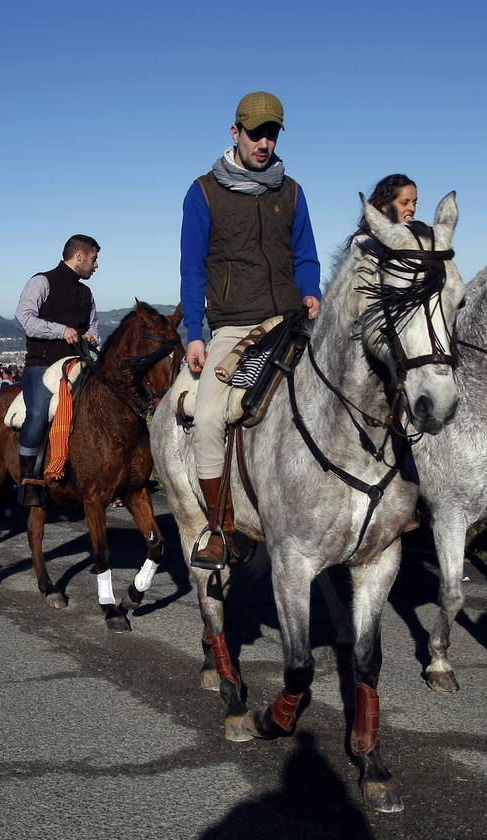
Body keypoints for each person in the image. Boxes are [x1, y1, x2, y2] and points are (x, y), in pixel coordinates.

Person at [180, 90, 321, 568]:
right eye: (256, 133)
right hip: (233, 324)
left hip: (290, 317)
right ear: (234, 132)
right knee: (208, 420)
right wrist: (194, 335)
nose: (264, 142)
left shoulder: (293, 191)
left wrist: (311, 291)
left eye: (272, 134)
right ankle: (219, 528)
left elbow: (306, 254)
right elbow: (192, 268)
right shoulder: (202, 192)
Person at [14, 235, 101, 506]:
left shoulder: (86, 293)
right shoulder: (41, 281)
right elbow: (24, 319)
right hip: (42, 364)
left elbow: (93, 326)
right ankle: (28, 477)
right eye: (94, 259)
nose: (96, 266)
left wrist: (91, 337)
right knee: (38, 414)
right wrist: (60, 331)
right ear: (79, 256)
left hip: (78, 365)